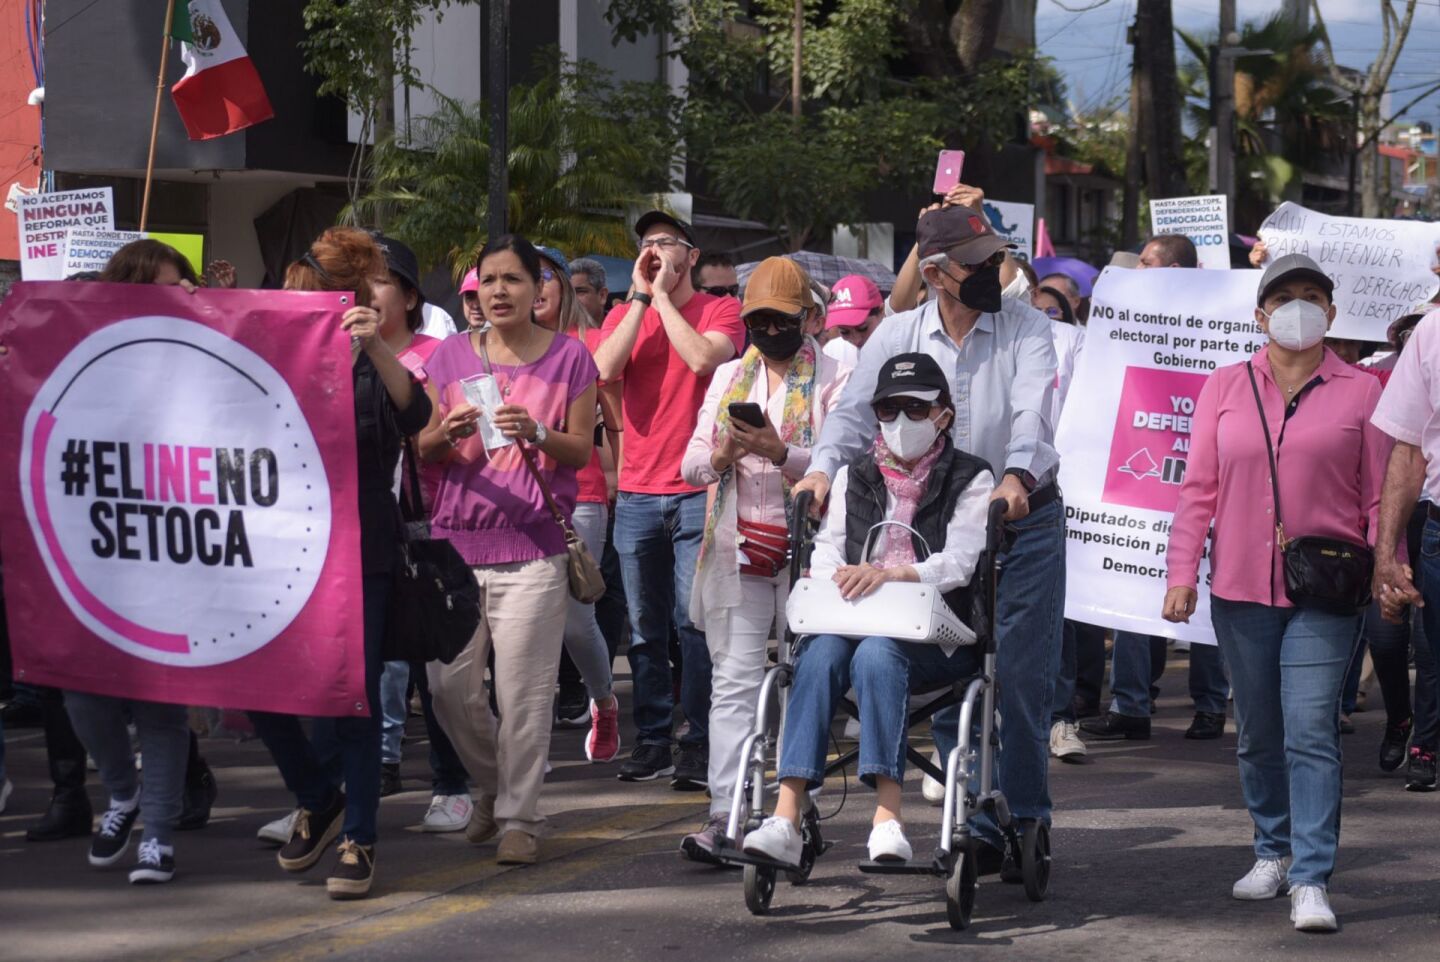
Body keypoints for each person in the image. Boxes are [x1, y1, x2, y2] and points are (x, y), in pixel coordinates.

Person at [793, 198, 1064, 873]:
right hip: (928, 519)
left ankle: (1019, 816)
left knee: (1017, 679)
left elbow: (1032, 412)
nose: (992, 270)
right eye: (976, 263)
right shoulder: (897, 334)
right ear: (937, 273)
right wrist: (821, 472)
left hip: (1018, 518)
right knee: (941, 667)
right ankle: (968, 814)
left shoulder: (1027, 327)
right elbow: (852, 417)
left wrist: (1015, 477)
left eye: (996, 257)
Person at [1164, 254, 1385, 933]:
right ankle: (1272, 849)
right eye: (1284, 296)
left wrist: (1390, 567)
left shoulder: (1363, 391)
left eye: (1311, 295)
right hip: (1239, 589)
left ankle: (1311, 876)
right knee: (1259, 732)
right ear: (1260, 315)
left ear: (1331, 312)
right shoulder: (1224, 385)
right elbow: (1198, 489)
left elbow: (1379, 497)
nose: (1298, 307)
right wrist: (1180, 574)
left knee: (1311, 729)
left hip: (1327, 590)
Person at [743, 353, 993, 866]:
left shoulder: (972, 477)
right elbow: (826, 553)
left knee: (878, 653)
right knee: (817, 656)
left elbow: (961, 562)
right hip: (854, 618)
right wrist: (848, 575)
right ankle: (786, 816)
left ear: (944, 414)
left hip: (936, 636)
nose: (901, 420)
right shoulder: (851, 475)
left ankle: (887, 817)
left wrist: (894, 574)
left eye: (915, 409)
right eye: (888, 409)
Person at [248, 227, 432, 900]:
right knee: (259, 689)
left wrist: (375, 344)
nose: (297, 298)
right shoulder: (269, 354)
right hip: (277, 546)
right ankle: (316, 797)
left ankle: (360, 835)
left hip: (359, 546)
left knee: (353, 693)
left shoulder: (371, 356)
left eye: (312, 289)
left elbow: (416, 414)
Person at [418, 234, 598, 865]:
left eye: (512, 279)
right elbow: (422, 448)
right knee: (447, 689)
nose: (499, 291)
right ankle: (494, 788)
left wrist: (539, 431)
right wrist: (446, 432)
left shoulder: (572, 358)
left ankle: (520, 817)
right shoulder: (447, 357)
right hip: (454, 550)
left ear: (538, 288)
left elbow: (583, 449)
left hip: (534, 549)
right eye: (488, 280)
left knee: (523, 695)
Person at [676, 257, 850, 861]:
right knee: (733, 683)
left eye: (782, 320)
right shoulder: (730, 376)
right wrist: (724, 454)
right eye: (759, 321)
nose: (770, 331)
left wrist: (783, 453)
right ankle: (725, 813)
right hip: (738, 547)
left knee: (802, 682)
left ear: (809, 318)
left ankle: (793, 812)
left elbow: (847, 463)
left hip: (812, 552)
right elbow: (690, 465)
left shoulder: (837, 373)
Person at [593, 211, 745, 787]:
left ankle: (698, 742)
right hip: (636, 491)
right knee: (643, 628)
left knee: (693, 623)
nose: (654, 248)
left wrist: (661, 296)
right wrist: (640, 298)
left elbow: (704, 359)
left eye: (667, 241)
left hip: (697, 489)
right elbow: (603, 369)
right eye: (647, 242)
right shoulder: (622, 313)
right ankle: (653, 738)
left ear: (692, 255)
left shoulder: (719, 309)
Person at [1085, 235, 1230, 743]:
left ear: (1173, 269)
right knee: (1133, 584)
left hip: (1203, 470)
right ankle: (1130, 705)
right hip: (1141, 465)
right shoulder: (1133, 315)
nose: (1137, 269)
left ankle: (1210, 705)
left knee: (1205, 589)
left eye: (1146, 262)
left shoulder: (1219, 314)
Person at [530, 245, 621, 763]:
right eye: (526, 276)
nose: (534, 286)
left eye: (544, 275)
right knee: (525, 623)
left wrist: (617, 479)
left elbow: (616, 422)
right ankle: (529, 743)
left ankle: (604, 702)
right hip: (515, 498)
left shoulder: (592, 342)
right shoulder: (500, 348)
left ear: (564, 283)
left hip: (580, 494)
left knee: (572, 620)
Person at [821, 274, 885, 369]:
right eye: (844, 332)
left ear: (881, 311)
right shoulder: (833, 351)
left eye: (863, 328)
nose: (856, 340)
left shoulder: (899, 345)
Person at [569, 257, 611, 326]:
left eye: (580, 292)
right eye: (567, 293)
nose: (571, 299)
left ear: (602, 295)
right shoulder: (558, 330)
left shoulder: (625, 327)